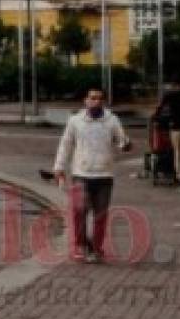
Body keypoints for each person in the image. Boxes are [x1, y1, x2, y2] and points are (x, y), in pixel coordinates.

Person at [53, 88, 132, 262]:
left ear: (103, 102)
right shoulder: (75, 121)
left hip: (104, 175)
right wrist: (59, 167)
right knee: (79, 211)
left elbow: (121, 140)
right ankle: (81, 245)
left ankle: (97, 248)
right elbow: (65, 145)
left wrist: (126, 144)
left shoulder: (112, 121)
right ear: (85, 100)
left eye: (99, 99)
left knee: (100, 215)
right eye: (92, 98)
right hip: (81, 174)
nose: (96, 101)